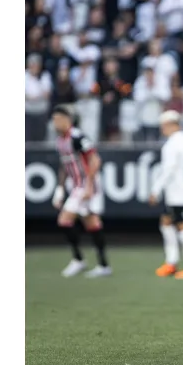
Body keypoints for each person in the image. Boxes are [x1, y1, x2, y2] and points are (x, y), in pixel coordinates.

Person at [51, 105, 112, 278]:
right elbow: (64, 165)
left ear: (67, 120)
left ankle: (80, 259)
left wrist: (90, 186)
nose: (55, 123)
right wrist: (60, 189)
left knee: (65, 220)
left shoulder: (78, 136)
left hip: (85, 184)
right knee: (91, 223)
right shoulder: (60, 140)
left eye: (58, 119)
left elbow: (95, 160)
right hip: (75, 185)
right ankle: (102, 264)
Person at [149, 110, 183, 279]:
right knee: (166, 223)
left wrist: (156, 189)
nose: (162, 130)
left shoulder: (173, 143)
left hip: (178, 191)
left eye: (163, 126)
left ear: (172, 124)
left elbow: (169, 169)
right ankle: (171, 262)